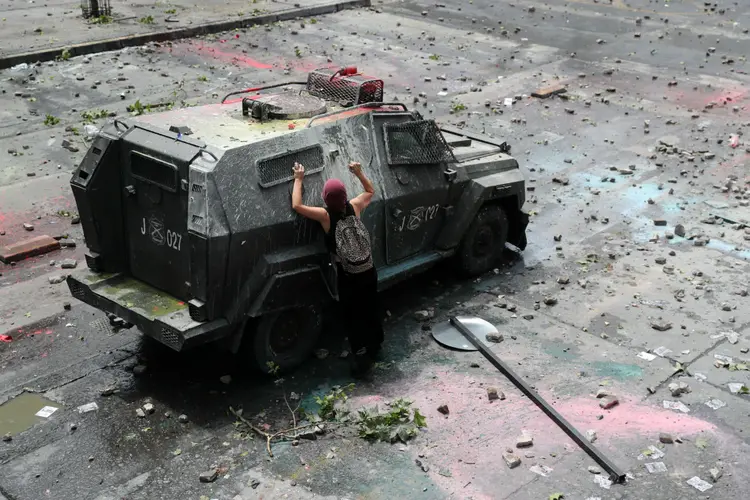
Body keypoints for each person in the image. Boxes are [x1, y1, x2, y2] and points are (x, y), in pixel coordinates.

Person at [291, 160, 384, 377]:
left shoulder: (325, 216)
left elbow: (297, 205)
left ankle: (360, 356)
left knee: (353, 315)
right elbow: (371, 190)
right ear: (344, 197)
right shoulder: (356, 205)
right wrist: (358, 172)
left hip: (348, 275)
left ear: (325, 199)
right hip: (368, 270)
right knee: (370, 308)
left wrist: (298, 179)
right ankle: (376, 347)